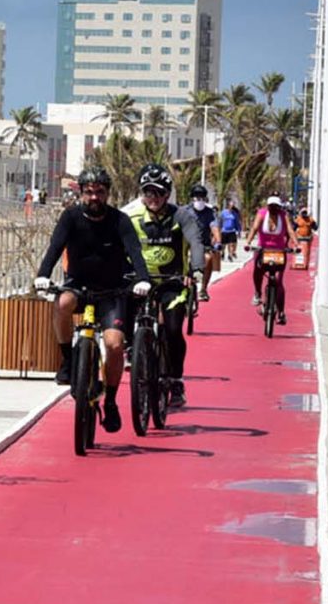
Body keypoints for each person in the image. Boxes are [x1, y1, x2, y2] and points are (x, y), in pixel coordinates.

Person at [35, 168, 153, 433]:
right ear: (81, 194)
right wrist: (42, 275)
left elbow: (135, 252)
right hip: (79, 285)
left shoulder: (119, 220)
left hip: (112, 291)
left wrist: (143, 279)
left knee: (113, 345)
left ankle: (110, 401)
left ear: (107, 194)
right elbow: (55, 247)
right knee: (62, 303)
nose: (94, 197)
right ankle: (67, 361)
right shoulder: (70, 217)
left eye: (99, 192)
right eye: (88, 192)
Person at [128, 165, 205, 409]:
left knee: (172, 329)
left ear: (167, 194)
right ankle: (135, 349)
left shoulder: (182, 215)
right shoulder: (132, 218)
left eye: (158, 193)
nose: (152, 198)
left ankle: (175, 380)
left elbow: (195, 240)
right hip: (141, 281)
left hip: (174, 283)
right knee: (122, 312)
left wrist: (197, 268)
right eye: (147, 192)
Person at [249, 195, 294, 323]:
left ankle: (281, 313)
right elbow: (255, 227)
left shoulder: (284, 216)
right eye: (271, 206)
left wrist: (295, 245)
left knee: (279, 283)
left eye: (276, 206)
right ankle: (257, 293)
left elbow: (290, 231)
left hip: (279, 251)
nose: (274, 209)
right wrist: (248, 242)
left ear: (279, 207)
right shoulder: (262, 214)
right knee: (257, 270)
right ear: (267, 206)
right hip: (263, 250)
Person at [187, 184, 220, 293]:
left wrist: (218, 241)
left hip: (203, 244)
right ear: (192, 198)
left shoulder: (210, 212)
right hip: (186, 243)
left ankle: (203, 289)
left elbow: (214, 227)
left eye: (202, 197)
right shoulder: (185, 211)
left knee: (208, 259)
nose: (199, 199)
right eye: (196, 197)